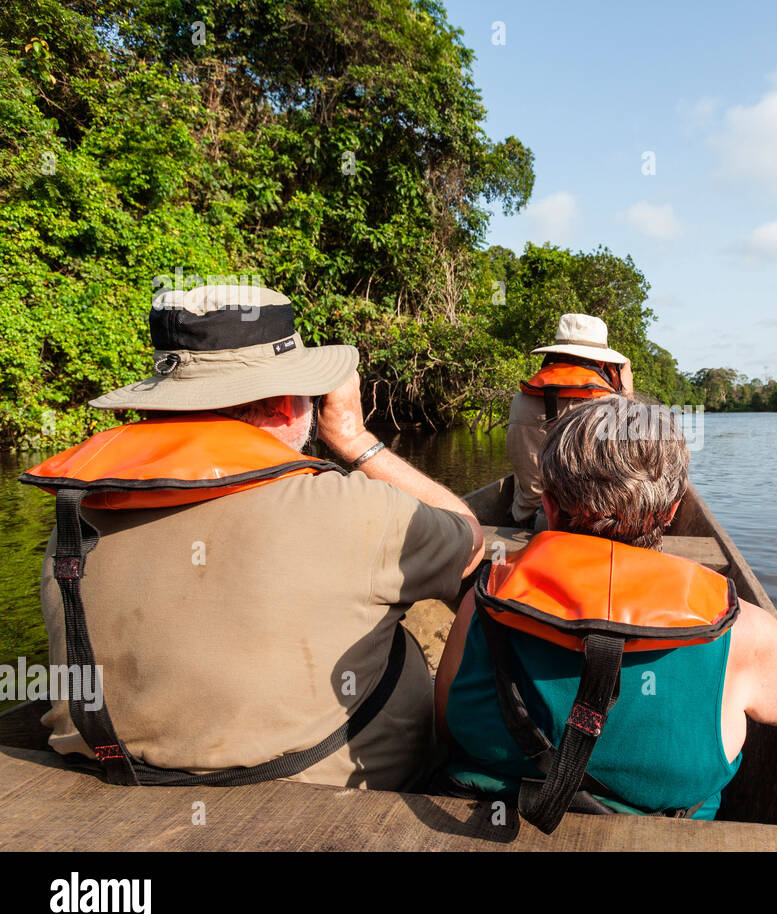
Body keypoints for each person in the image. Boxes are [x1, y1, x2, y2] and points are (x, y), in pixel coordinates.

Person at [20, 284, 483, 790]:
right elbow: (469, 543)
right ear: (288, 405)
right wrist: (354, 439)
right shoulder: (353, 508)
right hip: (314, 796)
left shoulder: (78, 512)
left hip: (109, 772)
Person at [434, 397, 777, 830]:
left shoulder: (483, 602)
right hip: (668, 833)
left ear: (549, 507)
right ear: (670, 512)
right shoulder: (741, 634)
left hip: (485, 820)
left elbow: (445, 731)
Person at [506, 312, 633, 527]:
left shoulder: (521, 399)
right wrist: (627, 396)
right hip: (590, 525)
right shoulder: (612, 405)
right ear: (602, 360)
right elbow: (630, 463)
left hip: (527, 518)